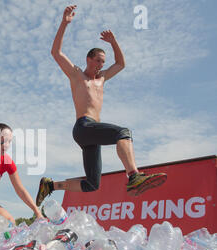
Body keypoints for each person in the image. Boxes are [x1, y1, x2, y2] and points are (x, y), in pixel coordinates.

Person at [36, 5, 167, 207]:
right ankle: (133, 176)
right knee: (123, 132)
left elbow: (121, 64)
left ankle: (50, 185)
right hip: (83, 126)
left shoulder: (103, 78)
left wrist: (113, 41)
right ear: (88, 59)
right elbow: (56, 52)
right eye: (97, 61)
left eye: (103, 62)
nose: (100, 65)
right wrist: (64, 23)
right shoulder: (77, 75)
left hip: (92, 135)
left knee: (92, 183)